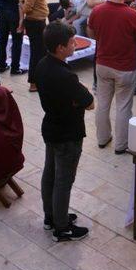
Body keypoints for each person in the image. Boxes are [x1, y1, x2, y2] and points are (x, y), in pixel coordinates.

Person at [35, 21, 93, 241]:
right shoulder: (65, 76)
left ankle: (51, 216)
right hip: (68, 133)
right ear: (60, 47)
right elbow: (89, 102)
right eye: (71, 42)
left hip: (51, 127)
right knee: (63, 180)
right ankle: (61, 227)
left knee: (50, 173)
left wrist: (74, 101)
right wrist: (77, 101)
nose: (74, 44)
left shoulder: (42, 64)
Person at [87, 0, 136, 153]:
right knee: (123, 106)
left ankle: (102, 138)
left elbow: (91, 33)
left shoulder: (97, 10)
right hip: (125, 67)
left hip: (103, 63)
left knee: (103, 103)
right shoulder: (132, 15)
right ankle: (121, 145)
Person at [20, 0, 50, 92]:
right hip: (36, 23)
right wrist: (22, 19)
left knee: (40, 53)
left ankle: (39, 81)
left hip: (38, 21)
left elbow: (21, 0)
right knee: (37, 54)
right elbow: (25, 6)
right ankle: (33, 83)